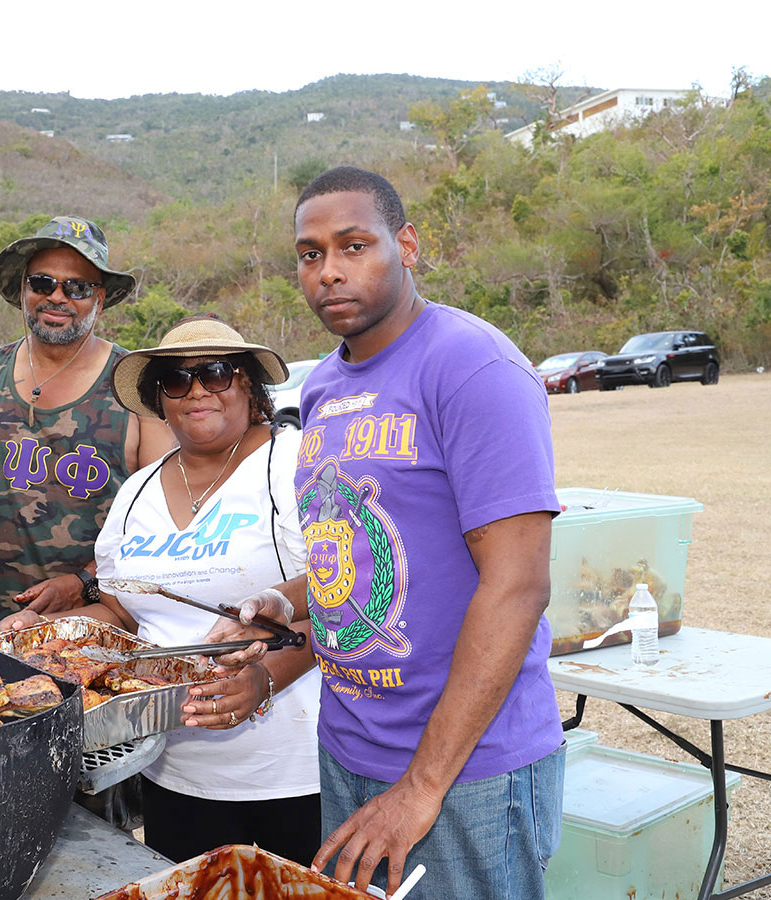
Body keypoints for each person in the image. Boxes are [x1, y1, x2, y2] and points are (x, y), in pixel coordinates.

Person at [212, 167, 565, 898]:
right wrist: (290, 599)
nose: (330, 272)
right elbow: (373, 550)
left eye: (354, 245)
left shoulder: (473, 367)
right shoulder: (324, 388)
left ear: (406, 245)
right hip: (348, 749)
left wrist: (421, 788)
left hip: (463, 767)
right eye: (311, 254)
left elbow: (518, 585)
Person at [0, 316, 323, 866]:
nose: (196, 391)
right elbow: (122, 613)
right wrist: (44, 633)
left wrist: (265, 680)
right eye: (176, 380)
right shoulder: (136, 495)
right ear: (159, 399)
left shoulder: (295, 463)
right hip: (172, 772)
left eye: (216, 374)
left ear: (247, 384)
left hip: (291, 774)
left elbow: (348, 599)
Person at [0, 216, 172, 632]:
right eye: (42, 283)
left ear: (100, 297)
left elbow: (162, 522)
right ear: (24, 289)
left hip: (90, 637)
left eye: (76, 287)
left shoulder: (135, 387)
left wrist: (85, 584)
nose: (56, 297)